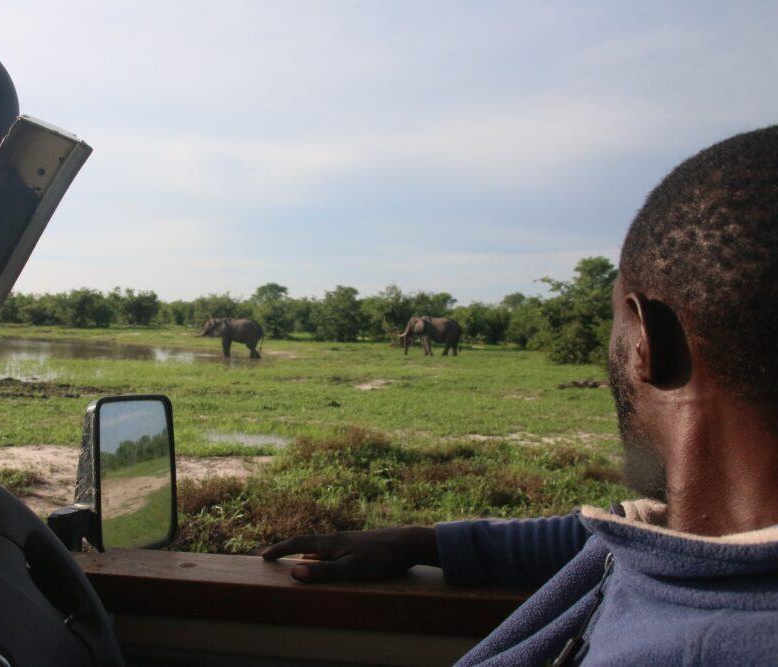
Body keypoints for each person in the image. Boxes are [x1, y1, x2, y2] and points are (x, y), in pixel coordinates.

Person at [263, 126, 778, 665]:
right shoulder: (681, 532)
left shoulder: (706, 642)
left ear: (648, 342)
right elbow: (583, 540)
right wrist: (423, 543)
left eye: (613, 325)